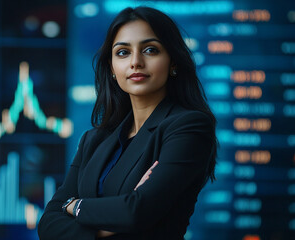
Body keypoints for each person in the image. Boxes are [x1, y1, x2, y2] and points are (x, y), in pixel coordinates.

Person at [38, 6, 217, 240]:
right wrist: (116, 217)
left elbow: (136, 213)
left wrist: (73, 206)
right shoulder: (94, 140)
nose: (135, 62)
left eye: (150, 50)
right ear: (112, 68)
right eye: (122, 52)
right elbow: (47, 225)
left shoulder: (189, 127)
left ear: (173, 62)